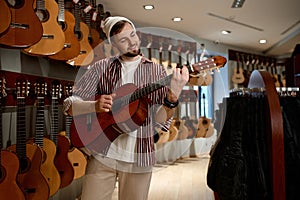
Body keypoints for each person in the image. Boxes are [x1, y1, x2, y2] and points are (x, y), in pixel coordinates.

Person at [63, 16, 189, 200]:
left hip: (139, 157)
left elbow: (161, 120)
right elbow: (69, 105)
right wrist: (94, 106)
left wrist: (172, 97)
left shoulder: (156, 71)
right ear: (113, 44)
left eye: (133, 35)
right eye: (123, 40)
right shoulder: (101, 68)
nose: (132, 42)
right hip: (102, 152)